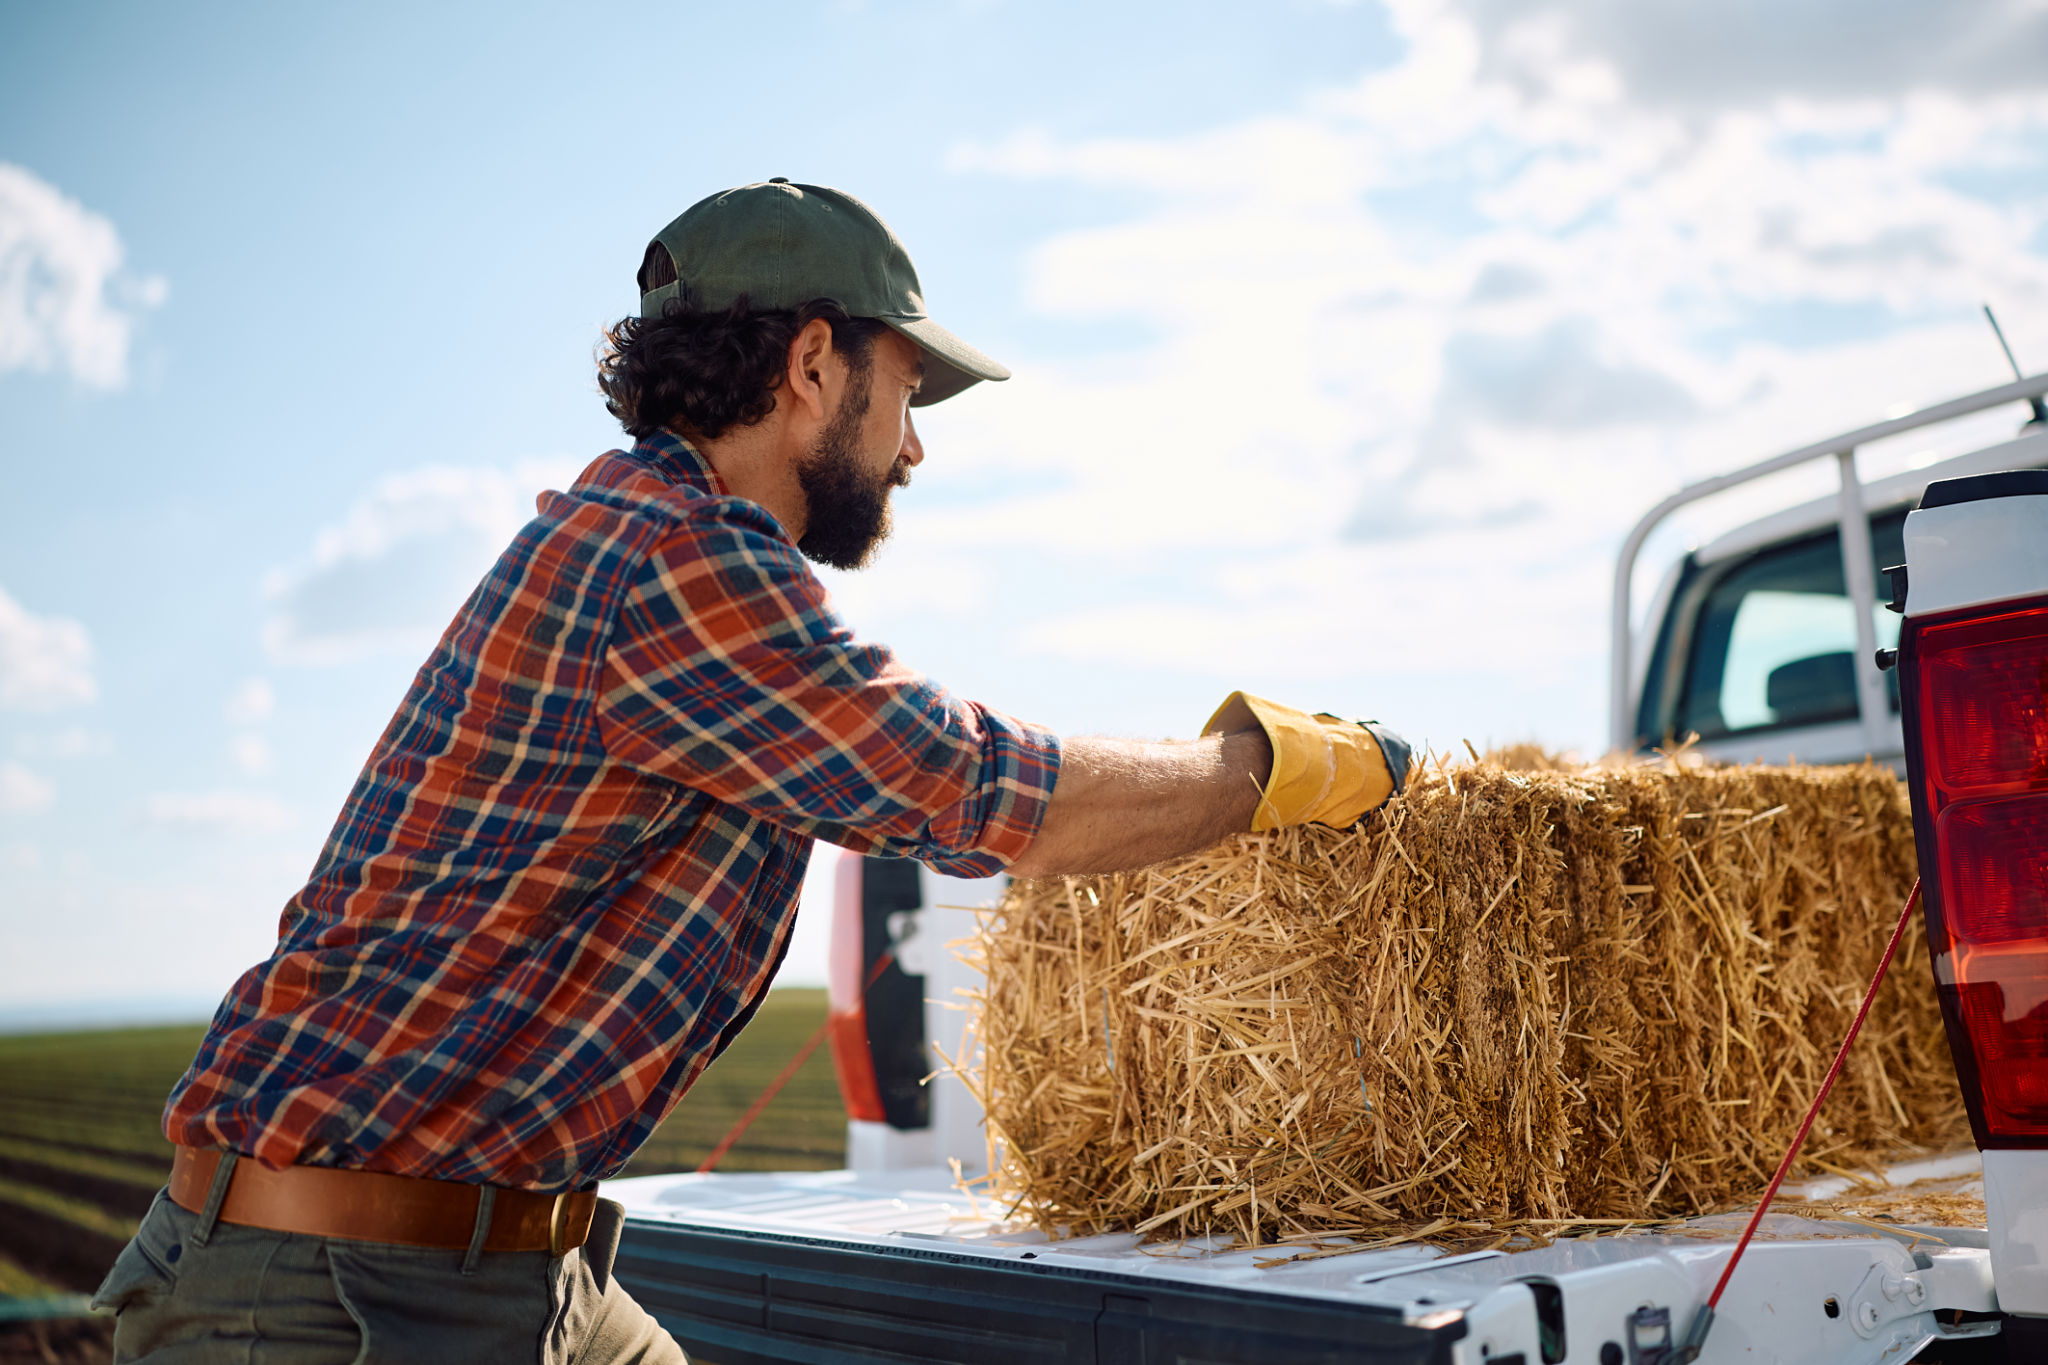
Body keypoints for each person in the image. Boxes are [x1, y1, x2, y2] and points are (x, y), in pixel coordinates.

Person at [91, 179, 1410, 1363]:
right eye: (903, 396)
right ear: (814, 365)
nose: (914, 447)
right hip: (326, 1301)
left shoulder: (641, 533)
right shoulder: (676, 559)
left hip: (502, 1271)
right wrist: (1274, 763)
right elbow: (987, 791)